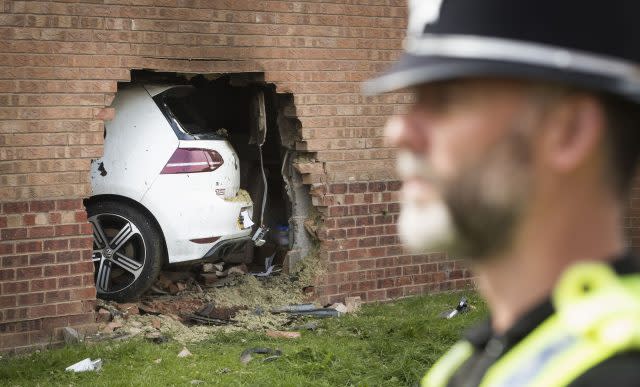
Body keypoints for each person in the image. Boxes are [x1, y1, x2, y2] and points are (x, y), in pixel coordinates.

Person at [363, 1, 640, 386]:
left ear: (570, 131)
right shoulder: (475, 360)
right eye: (415, 98)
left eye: (447, 98)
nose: (398, 131)